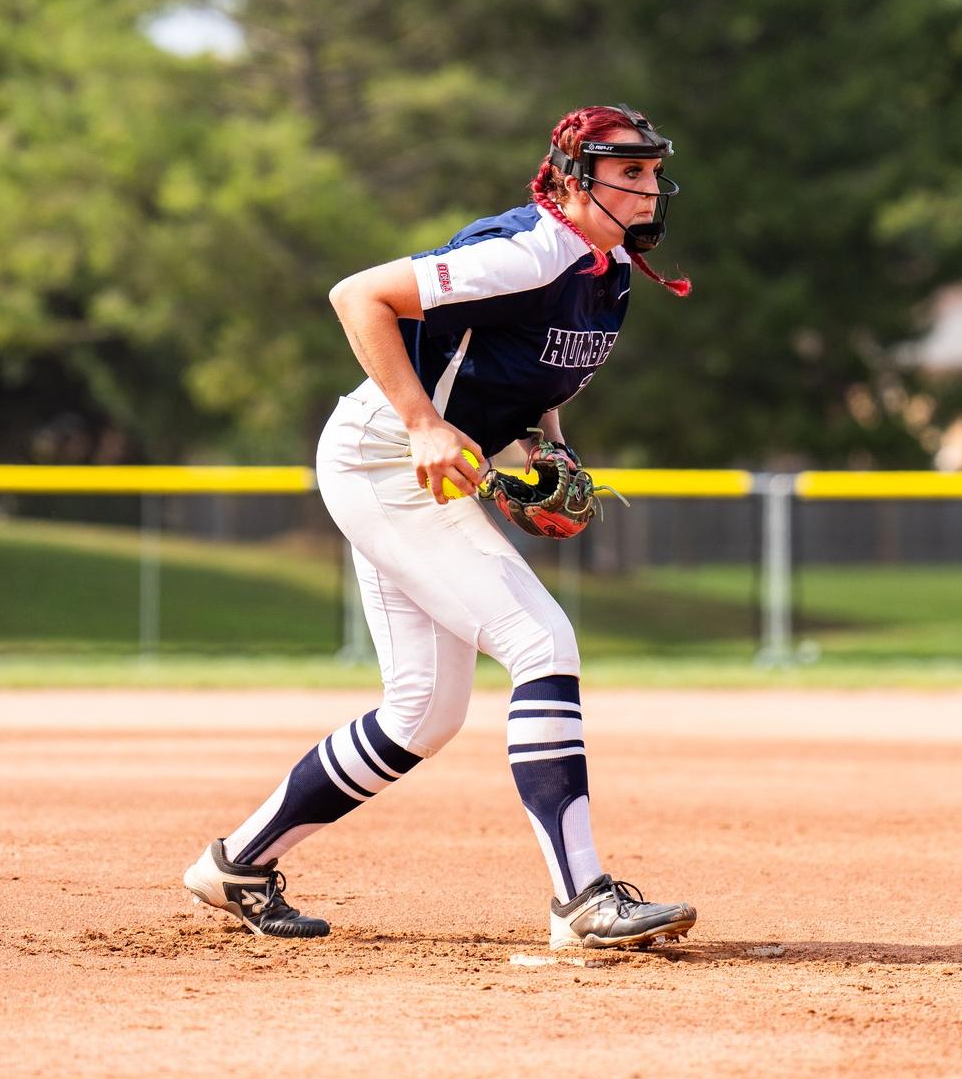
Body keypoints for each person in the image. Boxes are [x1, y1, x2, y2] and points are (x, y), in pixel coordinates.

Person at [183, 104, 699, 949]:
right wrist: (423, 422)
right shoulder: (528, 250)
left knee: (422, 712)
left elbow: (529, 381)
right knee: (541, 644)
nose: (649, 187)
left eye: (651, 171)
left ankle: (237, 863)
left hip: (420, 470)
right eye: (627, 172)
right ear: (573, 180)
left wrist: (550, 453)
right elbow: (358, 297)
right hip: (386, 460)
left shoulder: (603, 270)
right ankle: (582, 901)